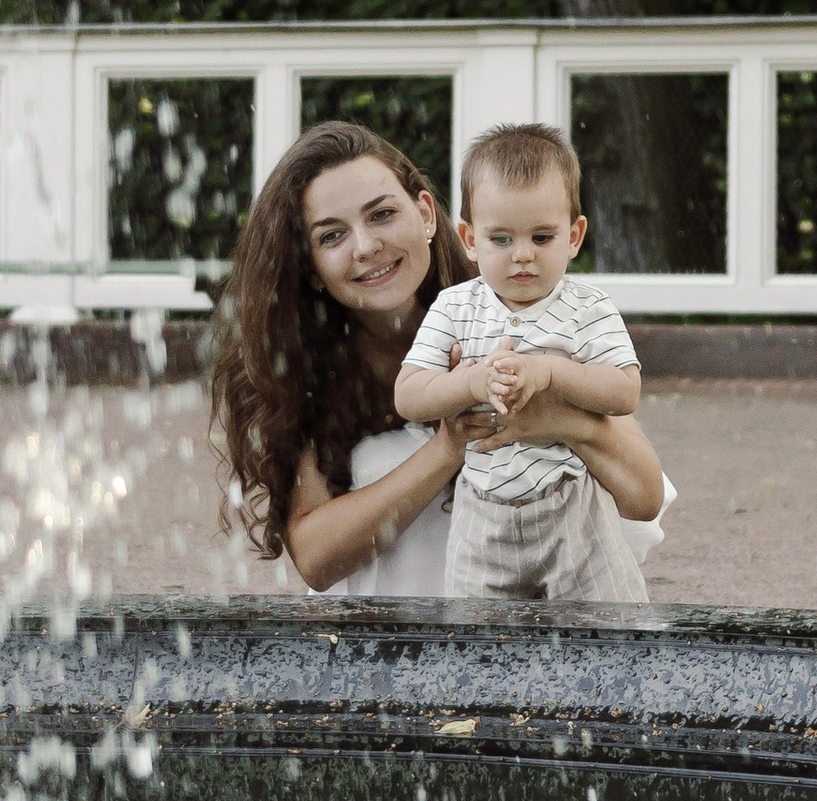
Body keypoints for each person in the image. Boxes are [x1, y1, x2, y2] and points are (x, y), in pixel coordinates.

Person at [214, 118, 669, 597]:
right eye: (331, 236)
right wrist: (449, 446)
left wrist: (559, 421)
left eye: (382, 215)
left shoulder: (514, 314)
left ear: (426, 214)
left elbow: (644, 497)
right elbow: (315, 559)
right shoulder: (305, 369)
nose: (366, 247)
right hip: (386, 649)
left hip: (542, 622)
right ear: (309, 266)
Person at [395, 122, 648, 607]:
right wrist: (470, 380)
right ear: (469, 239)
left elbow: (624, 391)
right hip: (482, 512)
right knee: (477, 640)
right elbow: (409, 394)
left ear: (574, 237)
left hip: (572, 503)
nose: (524, 255)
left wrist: (551, 372)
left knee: (613, 626)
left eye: (542, 236)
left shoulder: (588, 306)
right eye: (502, 239)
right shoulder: (455, 307)